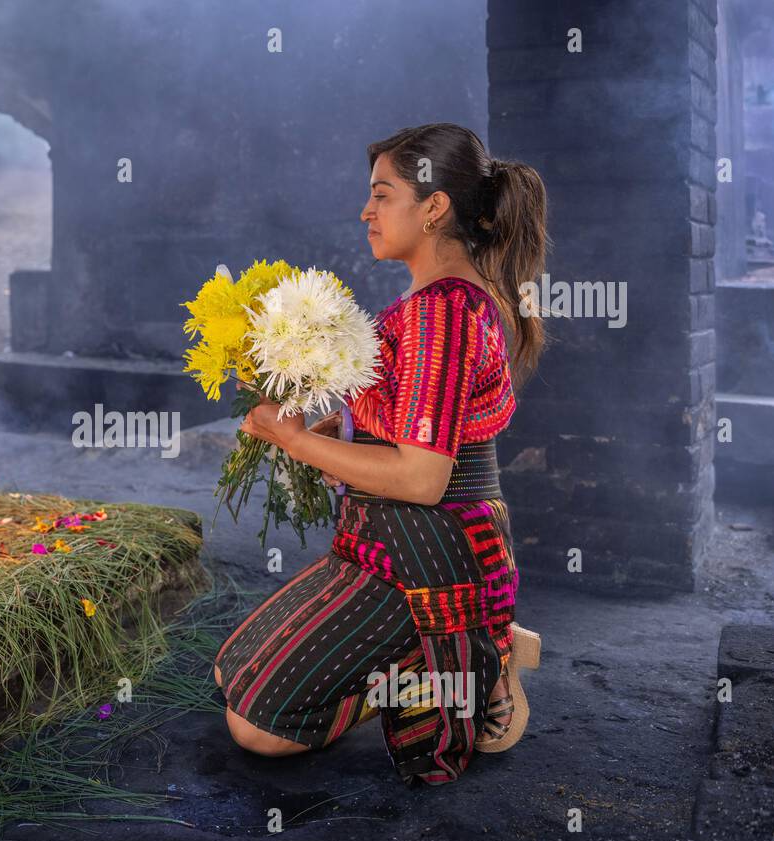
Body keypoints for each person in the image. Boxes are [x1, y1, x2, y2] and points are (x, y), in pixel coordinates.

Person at [213, 123, 550, 786]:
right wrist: (317, 410)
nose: (367, 210)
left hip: (427, 550)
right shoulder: (427, 302)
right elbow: (404, 418)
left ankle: (472, 657)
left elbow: (423, 477)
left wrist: (294, 441)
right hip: (378, 541)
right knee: (232, 672)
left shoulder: (445, 314)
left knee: (255, 727)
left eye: (383, 194)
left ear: (434, 208)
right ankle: (471, 640)